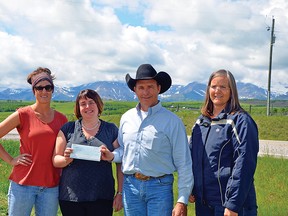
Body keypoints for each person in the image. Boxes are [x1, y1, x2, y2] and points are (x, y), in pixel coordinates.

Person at [101, 64, 193, 216]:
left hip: (160, 187)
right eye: (141, 87)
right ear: (135, 90)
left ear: (158, 88)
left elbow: (184, 162)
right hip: (131, 186)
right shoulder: (127, 118)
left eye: (150, 86)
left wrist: (182, 200)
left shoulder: (172, 122)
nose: (145, 92)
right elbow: (125, 150)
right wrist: (112, 156)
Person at [188, 69, 259, 216]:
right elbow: (192, 158)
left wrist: (233, 204)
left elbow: (244, 163)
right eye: (213, 86)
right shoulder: (201, 122)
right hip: (204, 204)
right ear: (208, 90)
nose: (217, 91)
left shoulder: (241, 121)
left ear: (231, 90)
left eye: (223, 87)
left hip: (230, 206)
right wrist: (192, 188)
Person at [0, 67, 68, 216]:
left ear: (52, 90)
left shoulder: (62, 119)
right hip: (23, 185)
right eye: (39, 88)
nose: (44, 91)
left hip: (51, 186)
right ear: (34, 91)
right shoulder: (22, 114)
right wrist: (11, 160)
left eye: (48, 87)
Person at [52, 89, 123, 216]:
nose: (87, 106)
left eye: (91, 102)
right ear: (78, 108)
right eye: (83, 103)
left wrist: (120, 192)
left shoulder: (111, 129)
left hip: (102, 195)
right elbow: (56, 160)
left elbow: (120, 161)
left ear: (98, 105)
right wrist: (65, 159)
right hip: (71, 196)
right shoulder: (68, 128)